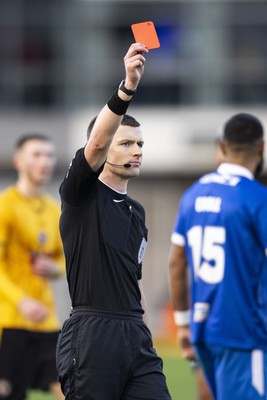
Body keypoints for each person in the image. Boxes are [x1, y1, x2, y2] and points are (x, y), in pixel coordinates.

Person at [56, 42, 171, 400]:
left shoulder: (137, 211)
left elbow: (131, 276)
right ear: (104, 148)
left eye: (139, 143)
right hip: (92, 335)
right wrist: (128, 87)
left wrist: (143, 325)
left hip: (135, 335)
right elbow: (94, 146)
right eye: (125, 143)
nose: (136, 150)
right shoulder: (81, 194)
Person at [168, 113, 267, 400]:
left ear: (222, 146)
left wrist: (183, 323)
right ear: (261, 148)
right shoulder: (257, 198)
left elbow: (176, 263)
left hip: (203, 331)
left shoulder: (193, 195)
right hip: (244, 331)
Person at [0, 134, 65, 400]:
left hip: (46, 322)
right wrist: (21, 301)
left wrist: (56, 269)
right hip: (10, 324)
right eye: (37, 155)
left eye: (49, 155)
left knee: (71, 388)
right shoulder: (6, 205)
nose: (45, 161)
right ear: (18, 161)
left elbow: (64, 259)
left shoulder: (54, 210)